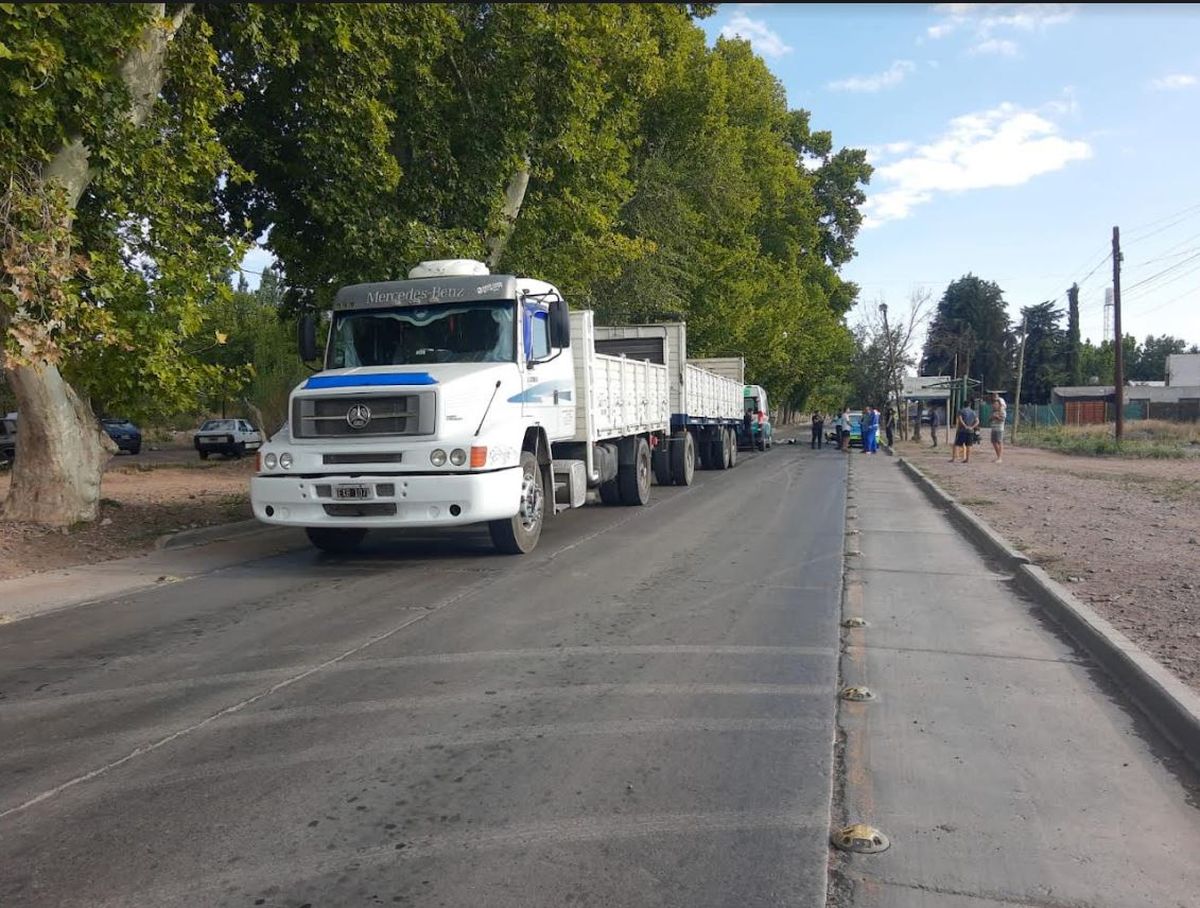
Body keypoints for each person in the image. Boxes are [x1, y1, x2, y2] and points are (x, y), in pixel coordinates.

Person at [951, 398, 980, 463]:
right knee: (968, 445)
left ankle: (953, 458)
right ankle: (967, 459)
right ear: (970, 405)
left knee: (956, 444)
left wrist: (965, 426)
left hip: (961, 431)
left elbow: (960, 419)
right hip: (970, 431)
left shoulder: (961, 411)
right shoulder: (973, 412)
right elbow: (977, 421)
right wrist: (972, 427)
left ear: (964, 404)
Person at [989, 392, 1007, 463]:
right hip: (993, 428)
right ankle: (998, 457)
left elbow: (1002, 419)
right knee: (993, 442)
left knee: (999, 442)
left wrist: (996, 416)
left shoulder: (1002, 410)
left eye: (996, 404)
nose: (994, 405)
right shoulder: (993, 411)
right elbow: (989, 419)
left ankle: (1000, 458)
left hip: (999, 428)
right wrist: (992, 417)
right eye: (994, 404)